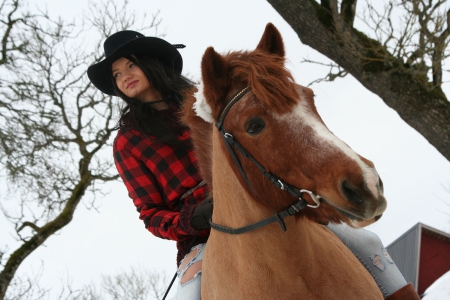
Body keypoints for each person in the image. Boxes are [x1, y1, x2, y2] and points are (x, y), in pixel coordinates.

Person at [87, 30, 419, 300]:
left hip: (265, 197)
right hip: (202, 236)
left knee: (366, 242)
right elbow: (150, 214)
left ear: (151, 63)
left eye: (130, 66)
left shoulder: (208, 102)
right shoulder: (127, 142)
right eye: (116, 74)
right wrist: (194, 217)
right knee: (186, 296)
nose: (124, 76)